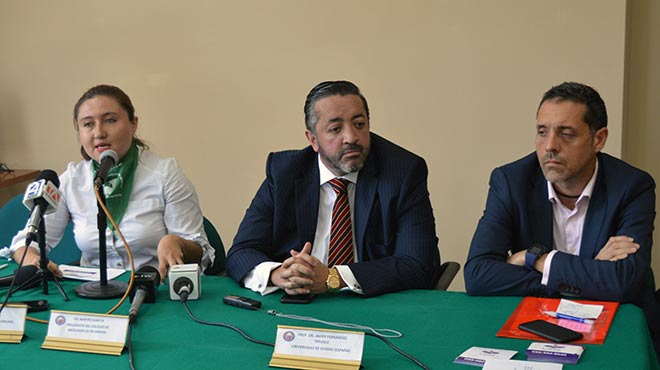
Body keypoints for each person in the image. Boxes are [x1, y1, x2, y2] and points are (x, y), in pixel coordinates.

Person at [464, 81, 659, 357]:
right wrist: (590, 271)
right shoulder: (510, 181)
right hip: (534, 329)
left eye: (566, 134)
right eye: (542, 132)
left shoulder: (632, 186)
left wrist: (537, 261)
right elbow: (478, 275)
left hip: (617, 330)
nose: (549, 146)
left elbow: (625, 282)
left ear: (599, 139)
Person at [226, 80, 440, 297]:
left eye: (359, 124)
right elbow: (241, 252)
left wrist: (333, 278)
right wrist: (277, 274)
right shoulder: (284, 174)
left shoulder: (402, 172)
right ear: (313, 140)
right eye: (335, 129)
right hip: (298, 305)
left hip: (372, 306)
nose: (351, 138)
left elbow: (418, 264)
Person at [10, 84, 214, 281]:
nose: (99, 132)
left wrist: (176, 242)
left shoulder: (164, 173)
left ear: (133, 124)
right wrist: (35, 261)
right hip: (93, 296)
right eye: (88, 124)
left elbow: (201, 252)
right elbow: (25, 243)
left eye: (109, 120)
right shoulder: (72, 180)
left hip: (154, 291)